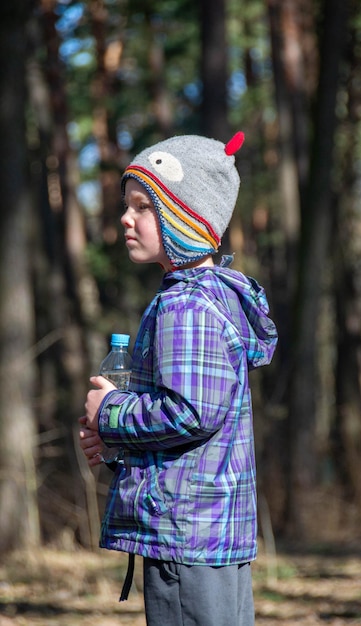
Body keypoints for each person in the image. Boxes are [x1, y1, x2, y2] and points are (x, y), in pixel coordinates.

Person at [79, 131, 278, 626]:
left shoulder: (184, 304)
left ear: (184, 219)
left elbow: (189, 412)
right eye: (127, 205)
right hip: (211, 534)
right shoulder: (214, 297)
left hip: (186, 537)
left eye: (144, 206)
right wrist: (114, 441)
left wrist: (110, 411)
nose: (126, 217)